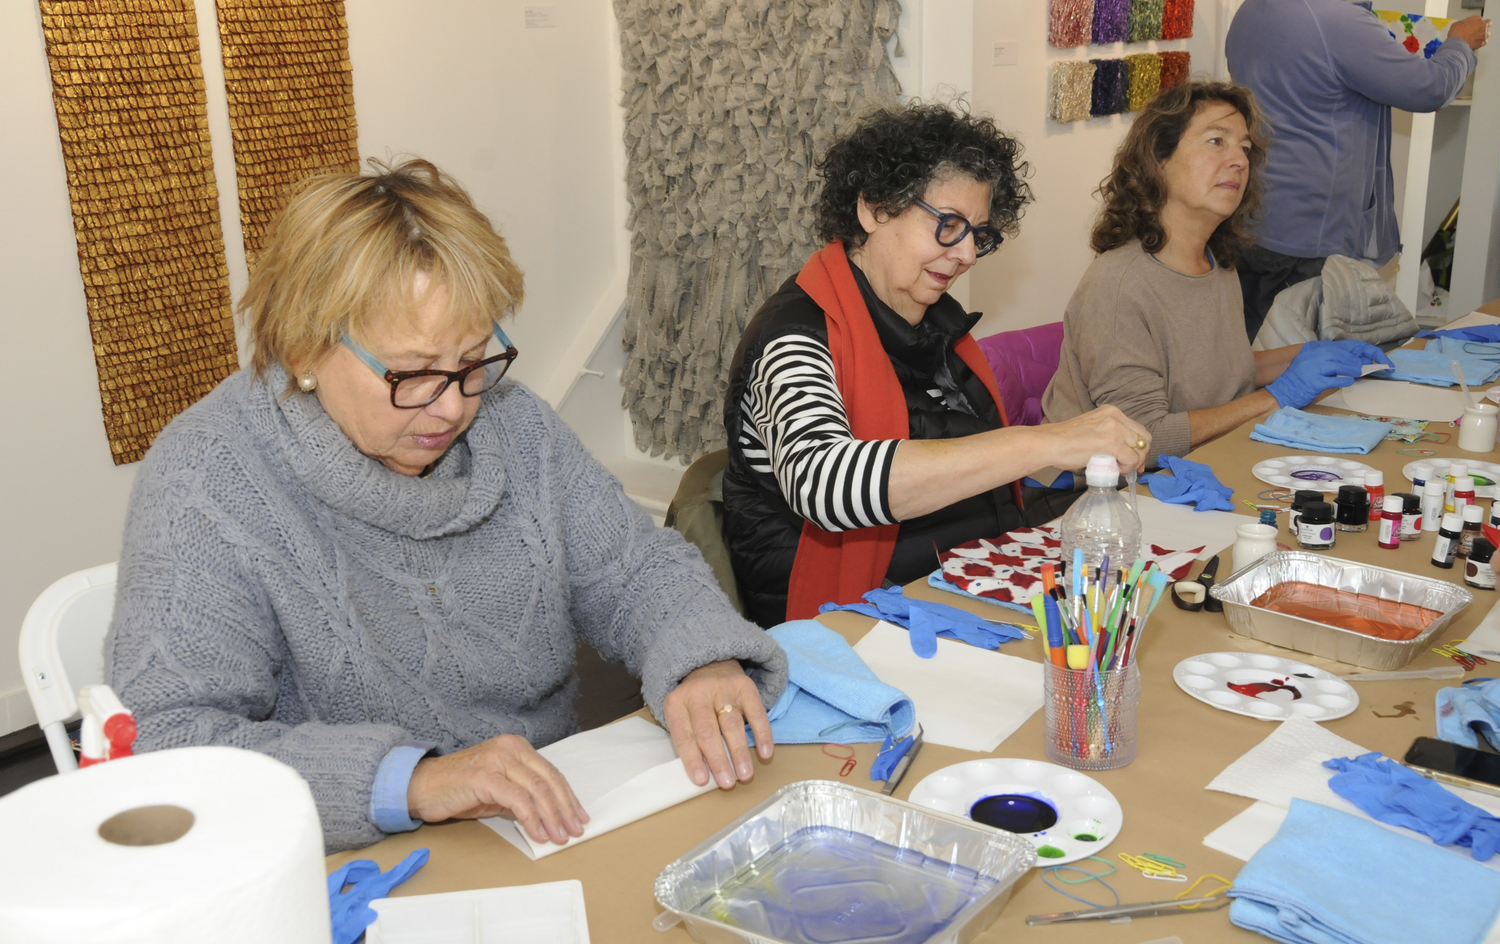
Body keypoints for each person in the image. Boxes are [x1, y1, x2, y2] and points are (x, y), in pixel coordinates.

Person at [104, 158, 788, 853]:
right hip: (343, 854)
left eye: (471, 361)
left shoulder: (514, 423)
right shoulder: (210, 473)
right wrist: (414, 782)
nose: (456, 404)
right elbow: (169, 743)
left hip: (544, 823)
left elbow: (634, 569)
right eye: (413, 374)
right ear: (305, 345)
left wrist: (701, 657)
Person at [722, 102, 1154, 628]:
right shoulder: (794, 334)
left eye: (979, 234)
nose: (968, 254)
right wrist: (1050, 441)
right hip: (854, 625)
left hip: (957, 587)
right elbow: (824, 484)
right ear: (874, 209)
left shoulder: (934, 324)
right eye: (949, 226)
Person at [1043, 81, 1392, 460]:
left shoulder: (1216, 262)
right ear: (1158, 159)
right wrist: (1278, 396)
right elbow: (1142, 440)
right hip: (1090, 492)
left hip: (1203, 459)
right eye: (1216, 142)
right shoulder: (1117, 284)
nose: (1240, 161)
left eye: (1244, 148)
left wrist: (1313, 352)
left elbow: (1219, 373)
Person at [1226, 0, 1489, 342]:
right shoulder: (1339, 21)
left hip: (1253, 215)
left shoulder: (1253, 7)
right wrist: (1460, 45)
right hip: (1311, 229)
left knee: (1248, 351)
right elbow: (1429, 89)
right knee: (1305, 361)